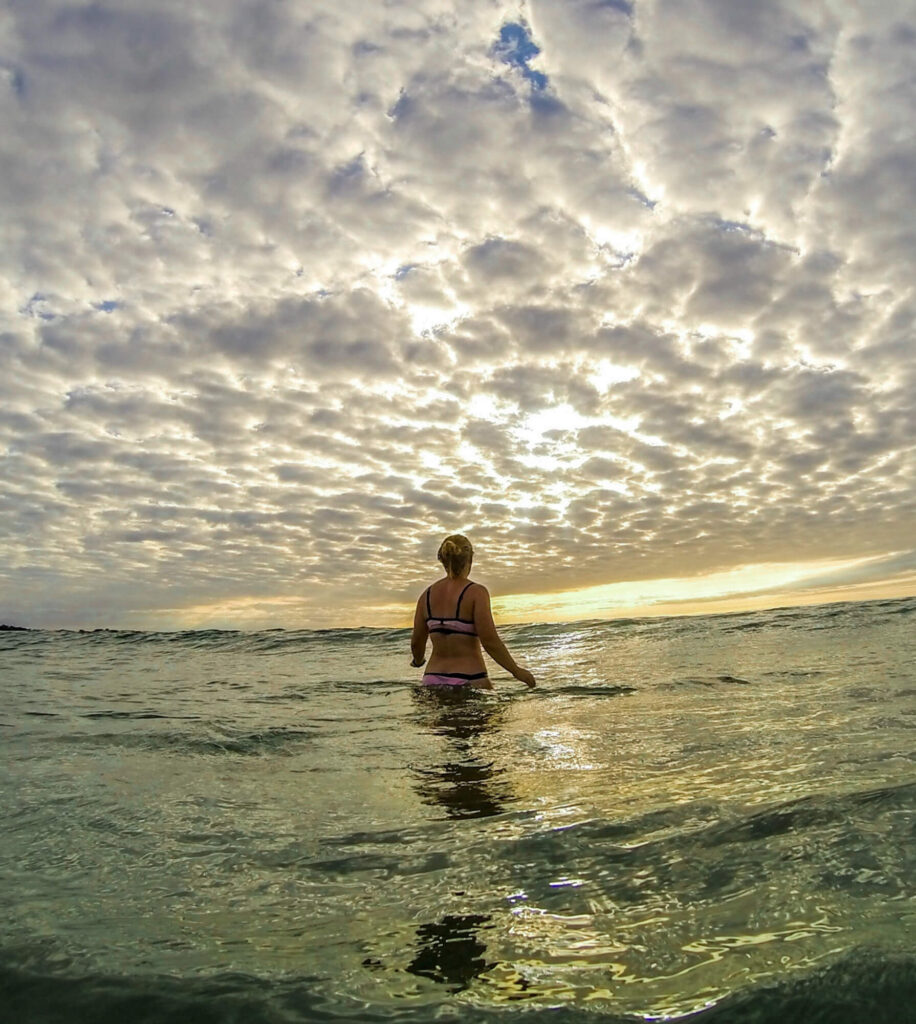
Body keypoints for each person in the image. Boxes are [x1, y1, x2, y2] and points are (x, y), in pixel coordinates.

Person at [411, 534, 536, 690]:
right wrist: (516, 671)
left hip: (432, 679)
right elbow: (490, 641)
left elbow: (417, 642)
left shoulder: (426, 596)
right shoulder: (476, 593)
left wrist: (418, 661)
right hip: (469, 678)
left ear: (442, 560)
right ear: (470, 560)